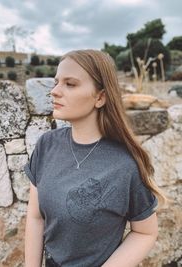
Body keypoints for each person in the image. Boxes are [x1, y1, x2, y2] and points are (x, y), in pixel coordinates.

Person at [24, 49, 166, 267]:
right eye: (56, 82)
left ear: (100, 97)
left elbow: (145, 233)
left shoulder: (125, 164)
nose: (54, 91)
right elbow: (36, 217)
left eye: (70, 84)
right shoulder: (46, 145)